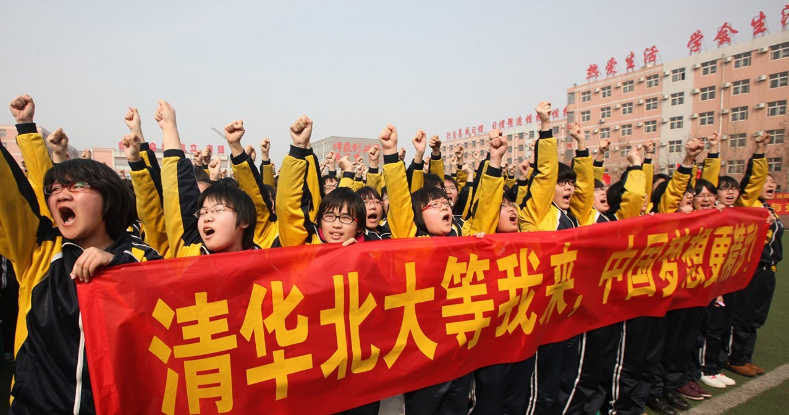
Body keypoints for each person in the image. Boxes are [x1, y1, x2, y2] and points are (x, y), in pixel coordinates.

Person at [3, 94, 162, 415]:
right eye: (54, 190)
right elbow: (9, 195)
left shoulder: (141, 257)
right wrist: (26, 130)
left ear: (108, 197)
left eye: (76, 186)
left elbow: (170, 309)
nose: (61, 193)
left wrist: (121, 270)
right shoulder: (39, 253)